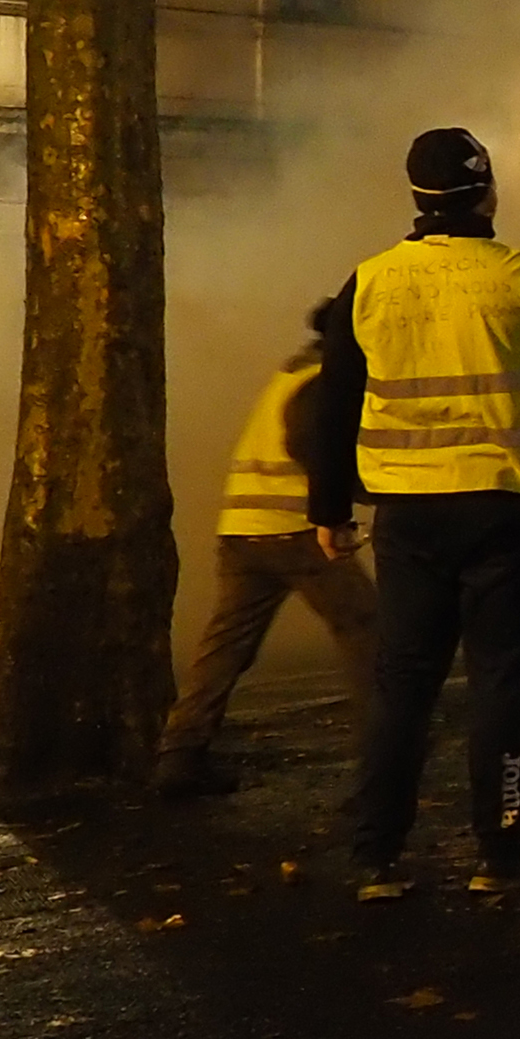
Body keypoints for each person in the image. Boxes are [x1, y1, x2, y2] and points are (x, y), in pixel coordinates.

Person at [306, 127, 520, 899]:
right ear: (486, 193)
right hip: (510, 510)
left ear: (417, 199)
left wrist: (328, 509)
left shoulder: (369, 283)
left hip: (410, 518)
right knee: (499, 681)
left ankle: (376, 857)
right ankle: (499, 850)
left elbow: (335, 408)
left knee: (403, 684)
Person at [152, 298, 380, 799]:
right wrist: (361, 499)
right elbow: (312, 447)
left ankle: (181, 753)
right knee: (367, 627)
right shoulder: (324, 381)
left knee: (227, 645)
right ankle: (383, 758)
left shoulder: (292, 373)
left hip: (243, 529)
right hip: (296, 530)